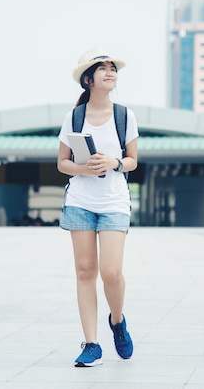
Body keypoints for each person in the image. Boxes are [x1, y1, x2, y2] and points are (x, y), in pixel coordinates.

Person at [57, 47, 139, 367]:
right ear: (88, 80)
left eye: (113, 68)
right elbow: (63, 163)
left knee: (111, 272)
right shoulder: (74, 117)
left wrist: (114, 162)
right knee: (85, 271)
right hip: (80, 200)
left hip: (114, 200)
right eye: (102, 68)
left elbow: (133, 159)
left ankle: (117, 321)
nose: (110, 72)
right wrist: (85, 168)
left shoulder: (124, 115)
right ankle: (91, 344)